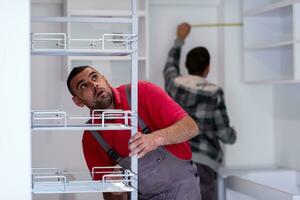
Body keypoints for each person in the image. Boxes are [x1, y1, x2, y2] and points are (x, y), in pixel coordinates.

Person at [67, 66, 202, 200]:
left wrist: (155, 139)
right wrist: (116, 190)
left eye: (94, 77)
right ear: (78, 101)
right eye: (84, 86)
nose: (94, 85)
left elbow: (191, 127)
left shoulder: (141, 92)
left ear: (104, 78)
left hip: (183, 191)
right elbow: (110, 194)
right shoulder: (92, 136)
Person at [163, 22, 237, 200]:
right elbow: (224, 134)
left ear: (187, 65)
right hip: (203, 165)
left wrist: (180, 39)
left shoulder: (174, 85)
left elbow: (170, 67)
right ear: (207, 68)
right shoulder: (214, 93)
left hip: (175, 160)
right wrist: (232, 134)